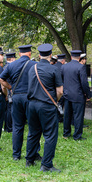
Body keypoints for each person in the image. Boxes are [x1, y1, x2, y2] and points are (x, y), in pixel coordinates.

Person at [26, 43, 63, 172]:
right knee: (50, 135)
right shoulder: (54, 69)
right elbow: (60, 91)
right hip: (46, 105)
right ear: (51, 55)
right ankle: (46, 164)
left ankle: (29, 159)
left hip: (32, 105)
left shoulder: (32, 68)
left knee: (33, 133)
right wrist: (55, 101)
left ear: (40, 55)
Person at [0, 45, 40, 160]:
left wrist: (10, 87)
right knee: (33, 126)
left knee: (17, 127)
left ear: (19, 53)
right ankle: (33, 153)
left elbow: (0, 79)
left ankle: (16, 155)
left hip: (16, 97)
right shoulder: (34, 65)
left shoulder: (11, 65)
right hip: (30, 98)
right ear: (30, 53)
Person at [61, 50, 91, 141]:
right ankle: (77, 135)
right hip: (78, 95)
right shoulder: (81, 67)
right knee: (78, 116)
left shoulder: (64, 67)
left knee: (67, 115)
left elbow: (62, 79)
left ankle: (66, 133)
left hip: (67, 94)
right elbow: (84, 83)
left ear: (71, 57)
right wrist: (88, 94)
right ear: (79, 58)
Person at [3, 52, 16, 133]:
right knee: (10, 110)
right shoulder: (10, 67)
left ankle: (7, 127)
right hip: (9, 89)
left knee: (8, 109)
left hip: (7, 89)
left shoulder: (5, 66)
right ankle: (9, 127)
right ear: (11, 58)